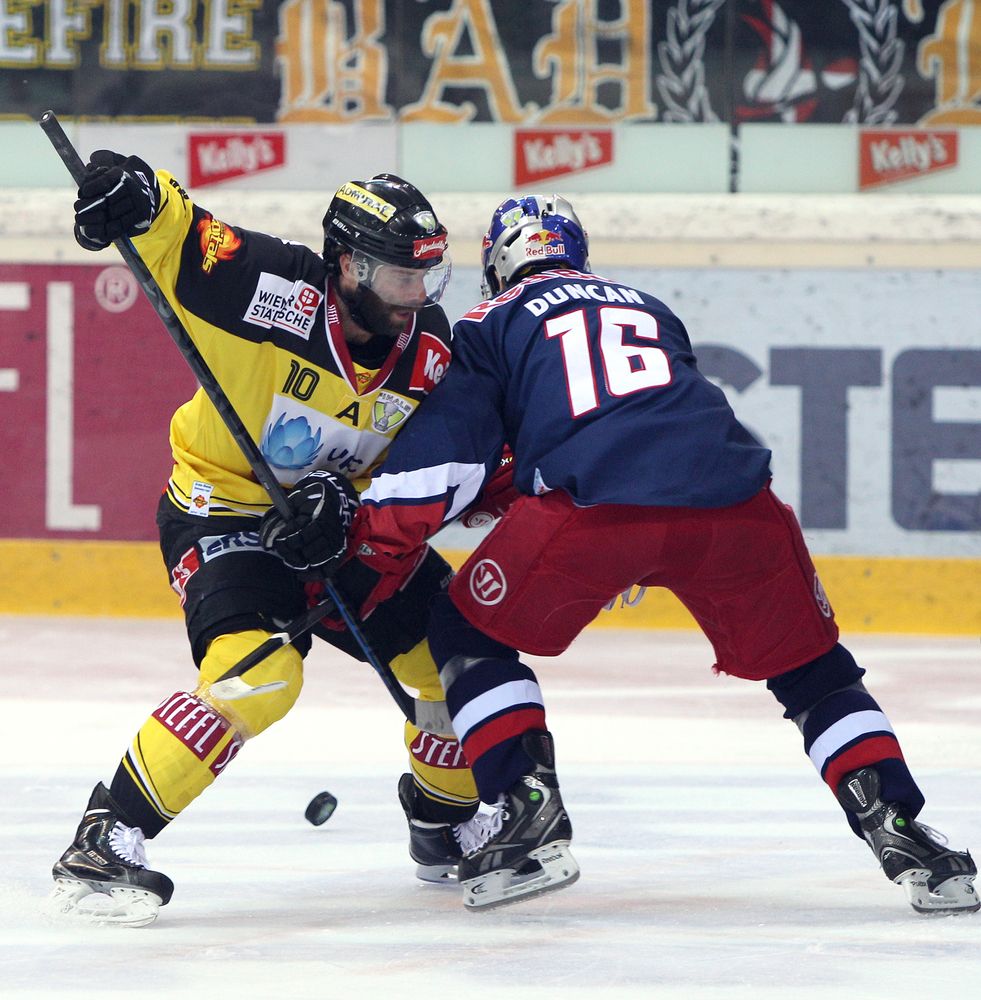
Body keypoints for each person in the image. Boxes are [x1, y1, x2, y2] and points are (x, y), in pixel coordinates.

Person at [324, 194, 978, 913]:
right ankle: (902, 828)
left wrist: (365, 548)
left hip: (597, 507)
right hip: (736, 503)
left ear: (497, 265)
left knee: (461, 629)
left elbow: (445, 461)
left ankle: (525, 809)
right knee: (815, 674)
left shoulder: (489, 320)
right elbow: (649, 412)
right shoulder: (647, 305)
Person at [49, 151, 483, 926]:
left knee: (459, 662)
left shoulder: (430, 349)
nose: (418, 296)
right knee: (259, 675)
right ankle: (106, 837)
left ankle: (442, 821)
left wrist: (352, 508)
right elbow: (181, 233)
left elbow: (425, 464)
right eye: (400, 277)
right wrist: (138, 191)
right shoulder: (272, 288)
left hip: (345, 529)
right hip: (226, 513)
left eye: (426, 276)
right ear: (347, 265)